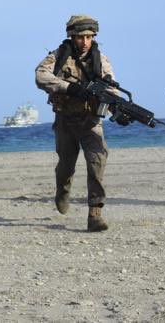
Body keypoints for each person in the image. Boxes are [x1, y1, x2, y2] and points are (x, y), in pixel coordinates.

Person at [35, 14, 115, 232]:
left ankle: (95, 213)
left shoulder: (101, 60)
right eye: (80, 37)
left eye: (89, 37)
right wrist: (69, 88)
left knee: (97, 162)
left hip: (91, 121)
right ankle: (63, 189)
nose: (85, 42)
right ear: (72, 36)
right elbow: (40, 76)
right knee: (65, 166)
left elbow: (113, 88)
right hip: (66, 120)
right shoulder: (58, 56)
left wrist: (112, 100)